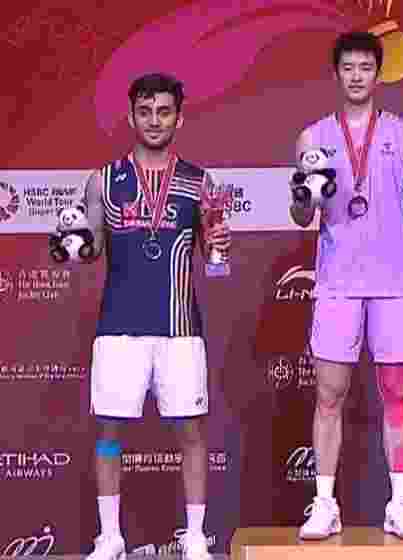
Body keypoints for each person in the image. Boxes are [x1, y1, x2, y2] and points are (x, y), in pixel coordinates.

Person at [290, 31, 403, 540]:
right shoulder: (312, 138)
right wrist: (306, 192)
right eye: (349, 67)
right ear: (337, 74)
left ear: (378, 73)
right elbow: (302, 216)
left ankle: (400, 503)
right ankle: (324, 503)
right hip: (337, 282)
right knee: (329, 393)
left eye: (367, 67)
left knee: (396, 394)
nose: (358, 75)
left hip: (392, 282)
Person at [76, 73, 230, 560]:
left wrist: (221, 248)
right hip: (118, 325)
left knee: (192, 433)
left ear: (179, 118)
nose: (155, 120)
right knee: (108, 433)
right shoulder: (101, 180)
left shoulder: (199, 182)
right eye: (146, 111)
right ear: (131, 116)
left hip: (180, 329)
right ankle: (110, 537)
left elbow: (214, 261)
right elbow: (91, 248)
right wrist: (73, 245)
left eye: (164, 111)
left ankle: (196, 539)